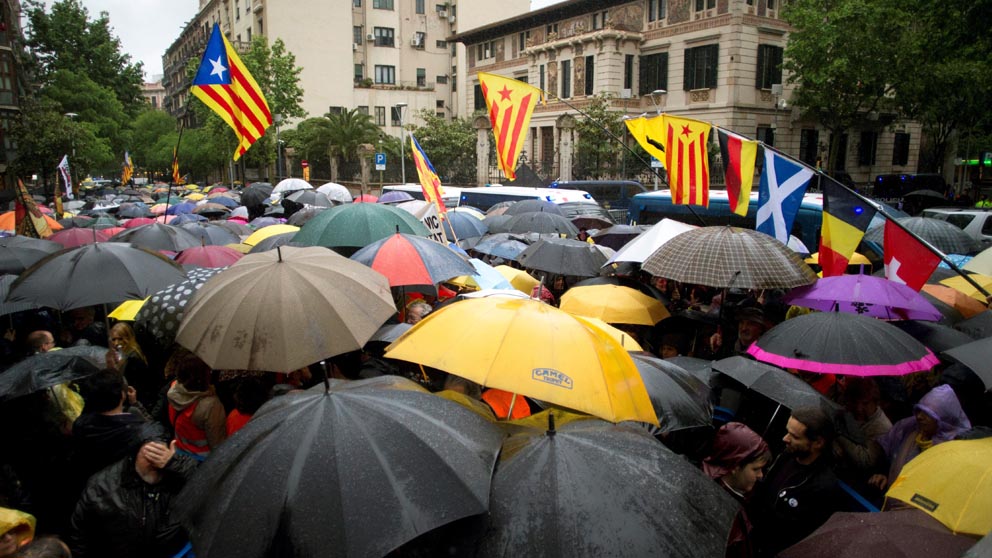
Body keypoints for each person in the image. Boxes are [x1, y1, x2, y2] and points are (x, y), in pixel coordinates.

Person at [67, 435, 197, 558]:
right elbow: (80, 534)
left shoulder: (177, 475)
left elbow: (208, 486)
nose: (154, 461)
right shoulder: (102, 487)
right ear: (134, 453)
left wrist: (176, 464)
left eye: (159, 454)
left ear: (171, 450)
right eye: (149, 453)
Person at [748, 406, 844, 557]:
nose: (785, 438)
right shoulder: (787, 455)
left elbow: (803, 537)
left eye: (795, 436)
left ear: (818, 443)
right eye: (787, 432)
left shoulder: (823, 488)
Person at [71, 370, 166, 488]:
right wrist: (135, 404)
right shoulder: (138, 431)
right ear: (122, 395)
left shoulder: (80, 424)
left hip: (93, 486)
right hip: (124, 490)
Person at [868, 384, 971, 492]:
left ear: (943, 418)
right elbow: (890, 456)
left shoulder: (953, 449)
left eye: (928, 414)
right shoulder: (908, 429)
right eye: (919, 410)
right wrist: (884, 475)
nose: (919, 416)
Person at [702, 423, 771, 558]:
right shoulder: (715, 509)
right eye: (755, 469)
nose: (761, 475)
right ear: (735, 467)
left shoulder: (739, 492)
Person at [167, 356, 227, 461]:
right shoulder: (211, 405)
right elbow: (217, 444)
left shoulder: (174, 391)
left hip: (179, 451)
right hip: (202, 459)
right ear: (203, 377)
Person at [833, 378, 892, 475]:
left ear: (875, 401)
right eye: (855, 402)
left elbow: (865, 461)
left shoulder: (882, 427)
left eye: (865, 403)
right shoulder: (850, 411)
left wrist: (840, 435)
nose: (859, 408)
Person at [105, 322, 161, 410]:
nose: (116, 343)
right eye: (113, 339)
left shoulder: (133, 358)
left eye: (120, 339)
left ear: (128, 338)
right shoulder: (124, 354)